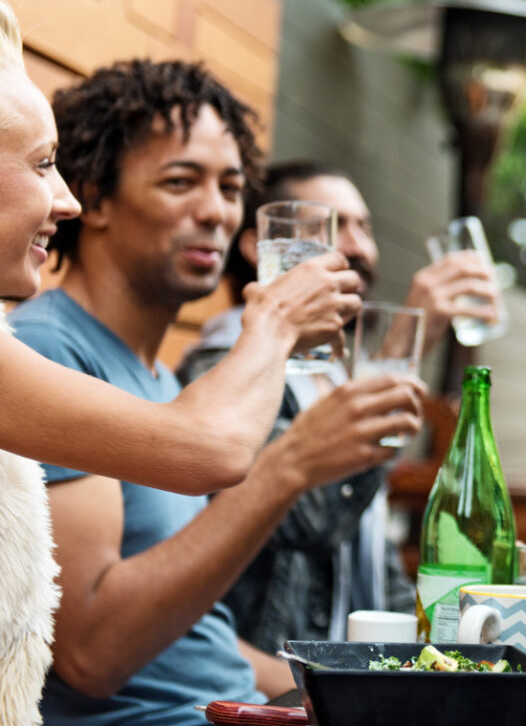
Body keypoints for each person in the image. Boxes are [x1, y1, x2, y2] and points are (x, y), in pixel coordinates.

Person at [9, 58, 424, 725]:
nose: (216, 212)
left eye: (231, 188)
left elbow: (194, 639)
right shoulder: (50, 348)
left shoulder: (159, 375)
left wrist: (360, 685)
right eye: (180, 182)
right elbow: (91, 655)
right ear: (95, 197)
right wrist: (291, 462)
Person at [177, 159, 500, 656]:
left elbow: (371, 550)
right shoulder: (224, 368)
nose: (357, 247)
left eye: (363, 227)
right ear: (262, 247)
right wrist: (407, 341)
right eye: (329, 228)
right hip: (272, 676)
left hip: (352, 670)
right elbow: (312, 521)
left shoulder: (330, 375)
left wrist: (427, 654)